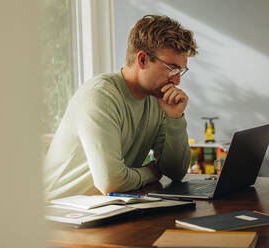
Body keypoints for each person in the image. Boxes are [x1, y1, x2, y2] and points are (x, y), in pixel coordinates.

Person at [44, 15, 198, 200]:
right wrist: (153, 172)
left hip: (105, 207)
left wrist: (175, 118)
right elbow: (111, 182)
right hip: (58, 213)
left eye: (181, 71)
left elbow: (175, 172)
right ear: (142, 60)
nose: (177, 80)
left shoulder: (157, 99)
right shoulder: (100, 96)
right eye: (172, 69)